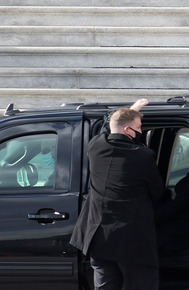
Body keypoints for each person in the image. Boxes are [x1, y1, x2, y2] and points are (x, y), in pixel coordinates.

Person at [70, 99, 164, 290]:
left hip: (98, 238)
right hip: (132, 241)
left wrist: (132, 111)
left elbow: (109, 126)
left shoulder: (95, 147)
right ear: (128, 131)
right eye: (139, 127)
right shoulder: (142, 156)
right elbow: (158, 192)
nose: (141, 131)